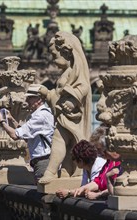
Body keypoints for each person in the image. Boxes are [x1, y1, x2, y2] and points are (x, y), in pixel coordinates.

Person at [38, 31, 92, 183]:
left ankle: (52, 172)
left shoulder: (74, 71)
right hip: (64, 116)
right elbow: (58, 96)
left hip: (71, 117)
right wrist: (47, 94)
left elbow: (84, 87)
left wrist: (73, 102)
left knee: (60, 141)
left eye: (55, 55)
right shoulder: (66, 73)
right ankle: (68, 173)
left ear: (66, 52)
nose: (53, 60)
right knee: (69, 147)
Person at [0, 84, 55, 182]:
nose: (26, 101)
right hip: (42, 161)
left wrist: (2, 121)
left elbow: (15, 135)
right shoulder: (41, 114)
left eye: (30, 98)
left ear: (39, 100)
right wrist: (12, 119)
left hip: (44, 162)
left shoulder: (41, 116)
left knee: (43, 193)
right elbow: (25, 135)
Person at [73, 129, 121, 200]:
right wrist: (83, 188)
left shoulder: (122, 163)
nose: (99, 153)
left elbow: (119, 189)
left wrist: (98, 195)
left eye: (100, 150)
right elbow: (98, 182)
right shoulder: (108, 162)